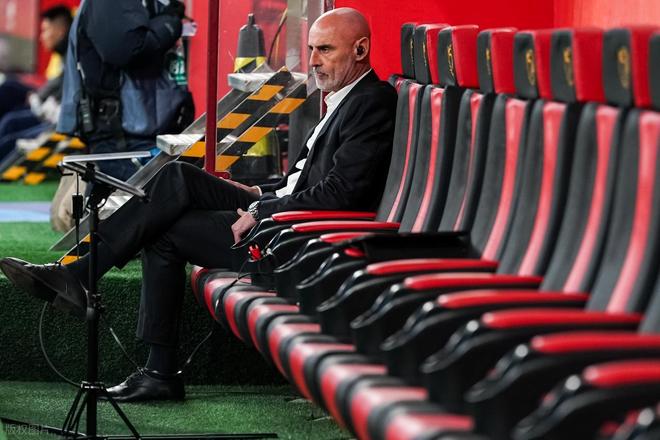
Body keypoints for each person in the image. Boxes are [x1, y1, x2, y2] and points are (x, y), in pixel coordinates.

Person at [0, 7, 397, 402]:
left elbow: (341, 195)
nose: (312, 61)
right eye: (310, 49)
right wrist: (259, 193)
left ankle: (123, 326)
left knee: (166, 227)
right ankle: (92, 287)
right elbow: (300, 181)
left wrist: (260, 209)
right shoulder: (343, 100)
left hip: (298, 238)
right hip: (280, 210)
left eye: (325, 49)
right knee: (177, 177)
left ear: (360, 50)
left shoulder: (371, 101)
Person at [56, 0, 192, 181]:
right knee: (160, 194)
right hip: (123, 139)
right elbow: (128, 48)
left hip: (139, 136)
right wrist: (170, 21)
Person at [0, 5, 72, 161]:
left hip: (55, 115)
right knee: (8, 89)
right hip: (45, 101)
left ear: (60, 31)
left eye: (45, 30)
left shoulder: (72, 55)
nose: (41, 37)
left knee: (10, 125)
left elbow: (62, 84)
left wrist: (38, 97)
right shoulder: (64, 55)